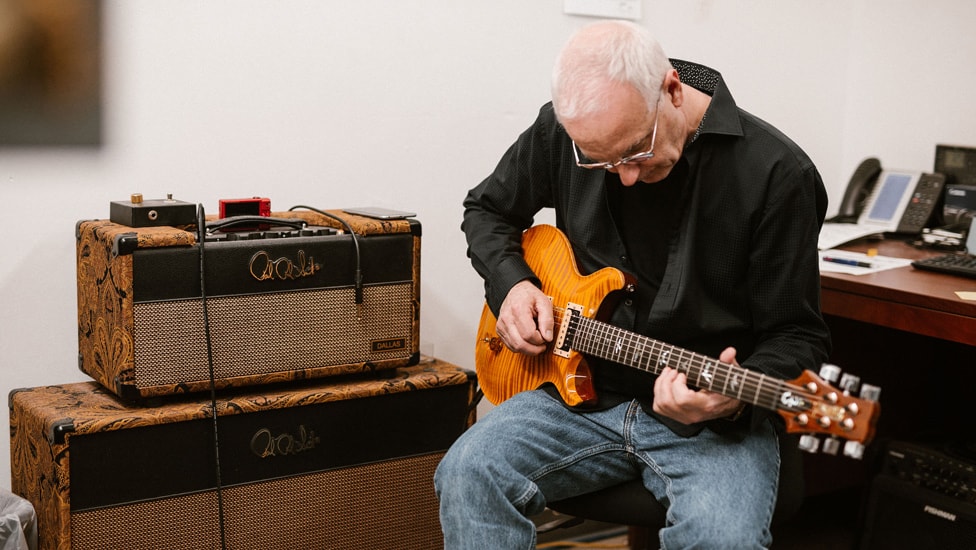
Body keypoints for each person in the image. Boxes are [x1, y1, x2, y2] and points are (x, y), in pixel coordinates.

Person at [435, 20, 830, 549]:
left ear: (671, 90)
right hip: (577, 398)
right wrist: (512, 286)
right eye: (598, 159)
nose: (620, 174)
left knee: (721, 538)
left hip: (709, 426)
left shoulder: (777, 175)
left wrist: (730, 401)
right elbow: (486, 210)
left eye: (633, 152)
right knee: (467, 473)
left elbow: (797, 336)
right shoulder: (565, 131)